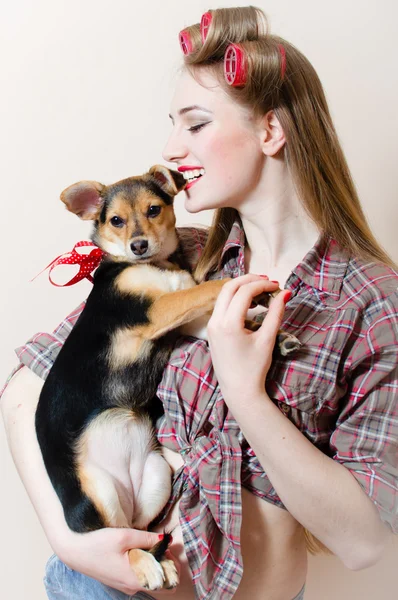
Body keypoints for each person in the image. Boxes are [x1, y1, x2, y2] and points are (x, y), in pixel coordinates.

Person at [1, 6, 397, 600]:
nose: (170, 147)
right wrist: (74, 541)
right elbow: (26, 386)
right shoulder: (175, 259)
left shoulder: (370, 304)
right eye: (172, 124)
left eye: (194, 124)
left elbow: (365, 544)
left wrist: (244, 389)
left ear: (269, 131)